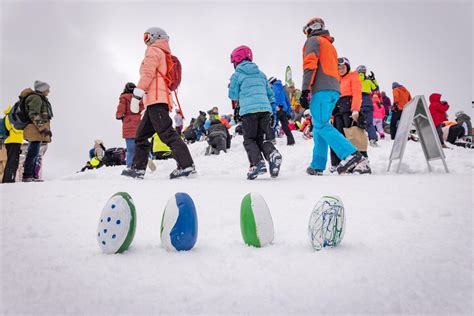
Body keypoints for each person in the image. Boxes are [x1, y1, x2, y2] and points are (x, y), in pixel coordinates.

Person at [121, 27, 195, 179]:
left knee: (166, 133)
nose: (146, 41)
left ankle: (186, 165)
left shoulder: (153, 51)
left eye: (147, 36)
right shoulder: (163, 53)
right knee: (141, 135)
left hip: (156, 100)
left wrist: (137, 95)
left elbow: (148, 74)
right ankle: (138, 168)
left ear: (156, 37)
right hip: (155, 101)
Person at [299, 17, 370, 175]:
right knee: (319, 127)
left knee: (322, 125)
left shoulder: (313, 41)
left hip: (321, 90)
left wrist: (304, 89)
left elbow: (309, 65)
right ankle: (317, 165)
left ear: (311, 29)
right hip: (333, 90)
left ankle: (352, 155)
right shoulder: (330, 45)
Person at [228, 45, 282, 180]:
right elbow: (270, 94)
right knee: (262, 138)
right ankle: (272, 154)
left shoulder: (237, 75)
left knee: (249, 139)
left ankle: (258, 163)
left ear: (236, 61)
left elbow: (233, 96)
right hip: (264, 110)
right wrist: (271, 109)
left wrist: (231, 86)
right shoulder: (261, 74)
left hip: (248, 112)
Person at [329, 57, 368, 172]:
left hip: (349, 109)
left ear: (347, 67)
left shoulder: (353, 76)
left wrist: (355, 109)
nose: (340, 70)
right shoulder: (336, 80)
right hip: (337, 111)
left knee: (354, 135)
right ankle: (338, 162)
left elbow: (357, 93)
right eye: (338, 68)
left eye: (343, 67)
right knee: (338, 136)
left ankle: (363, 161)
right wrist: (331, 115)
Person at [21, 80, 53, 182]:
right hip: (34, 129)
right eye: (47, 89)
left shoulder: (39, 98)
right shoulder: (36, 98)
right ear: (42, 89)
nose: (48, 91)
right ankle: (27, 176)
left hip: (36, 129)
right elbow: (34, 114)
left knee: (35, 152)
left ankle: (32, 175)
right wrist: (43, 128)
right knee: (32, 152)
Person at [116, 82, 144, 168]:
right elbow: (143, 109)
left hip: (128, 124)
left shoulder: (124, 97)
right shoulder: (140, 98)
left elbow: (120, 112)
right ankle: (147, 160)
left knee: (130, 149)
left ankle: (129, 166)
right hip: (140, 123)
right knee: (142, 145)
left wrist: (118, 116)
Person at [356, 65, 379, 146]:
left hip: (358, 102)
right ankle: (373, 140)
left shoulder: (354, 79)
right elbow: (376, 89)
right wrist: (373, 79)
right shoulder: (369, 80)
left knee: (357, 122)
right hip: (368, 103)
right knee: (369, 123)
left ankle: (358, 141)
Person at [269, 77, 295, 145]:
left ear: (271, 82)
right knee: (285, 126)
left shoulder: (272, 89)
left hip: (276, 110)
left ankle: (272, 140)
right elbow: (288, 101)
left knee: (272, 125)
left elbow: (272, 100)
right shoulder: (282, 89)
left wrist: (274, 107)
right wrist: (289, 112)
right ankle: (291, 141)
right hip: (283, 110)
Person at [2, 106, 24, 183]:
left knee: (12, 161)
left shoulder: (9, 117)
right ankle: (9, 180)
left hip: (14, 141)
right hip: (12, 141)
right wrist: (22, 128)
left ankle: (8, 179)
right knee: (12, 162)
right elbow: (13, 128)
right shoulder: (10, 117)